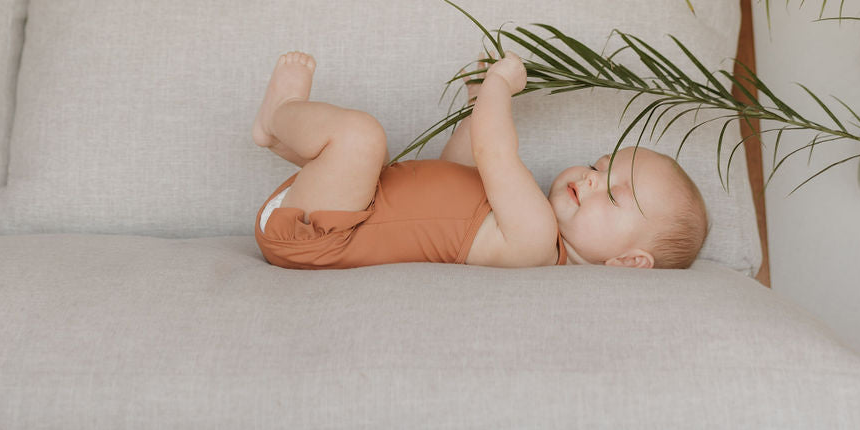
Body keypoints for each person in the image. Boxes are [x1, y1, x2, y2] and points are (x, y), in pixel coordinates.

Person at [253, 50, 708, 271]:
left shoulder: (535, 239)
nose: (590, 180)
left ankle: (277, 118)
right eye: (598, 166)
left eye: (612, 194)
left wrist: (498, 87)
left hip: (322, 237)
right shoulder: (515, 223)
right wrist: (475, 108)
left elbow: (496, 154)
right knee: (370, 157)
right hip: (344, 209)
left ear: (629, 261)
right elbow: (462, 172)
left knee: (362, 139)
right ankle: (284, 140)